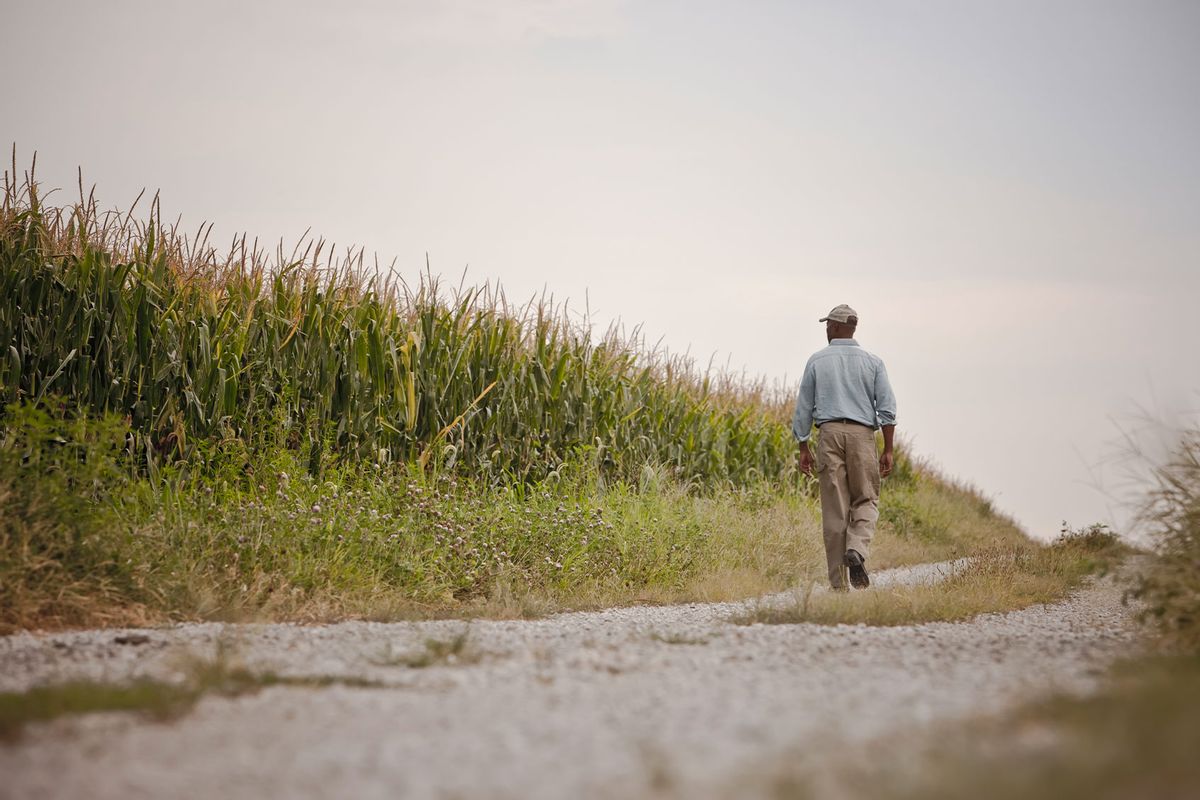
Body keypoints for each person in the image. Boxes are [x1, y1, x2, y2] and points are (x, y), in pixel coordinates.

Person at [792, 304, 897, 591]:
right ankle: (857, 550)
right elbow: (887, 409)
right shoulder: (873, 362)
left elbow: (803, 408)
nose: (826, 329)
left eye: (828, 325)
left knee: (835, 512)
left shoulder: (817, 361)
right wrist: (888, 449)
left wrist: (803, 446)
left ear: (837, 328)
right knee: (866, 499)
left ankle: (838, 588)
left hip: (829, 435)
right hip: (863, 436)